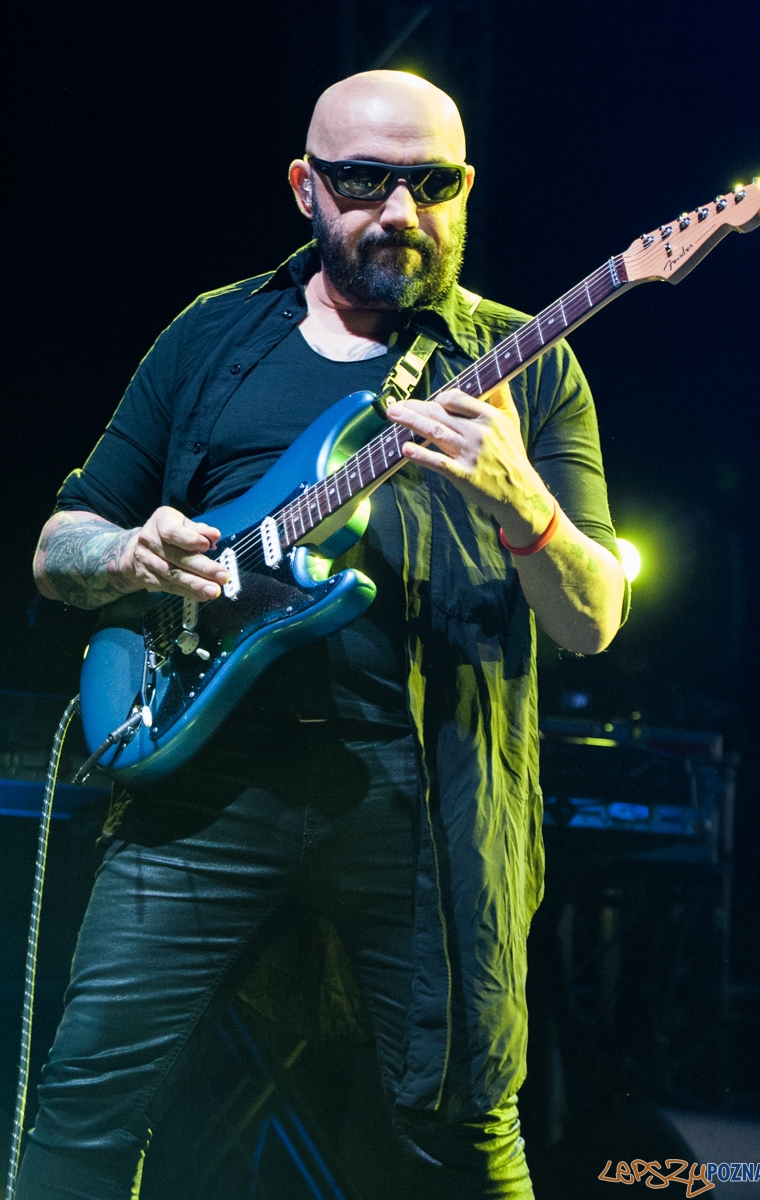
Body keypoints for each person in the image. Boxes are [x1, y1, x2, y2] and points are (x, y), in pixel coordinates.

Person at [22, 70, 625, 1199]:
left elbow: (589, 620)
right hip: (200, 785)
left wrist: (516, 497)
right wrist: (130, 556)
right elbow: (61, 545)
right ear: (306, 188)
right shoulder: (212, 337)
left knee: (455, 1129)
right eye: (362, 181)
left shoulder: (525, 365)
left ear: (462, 191)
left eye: (428, 183)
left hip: (421, 810)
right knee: (84, 1114)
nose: (397, 211)